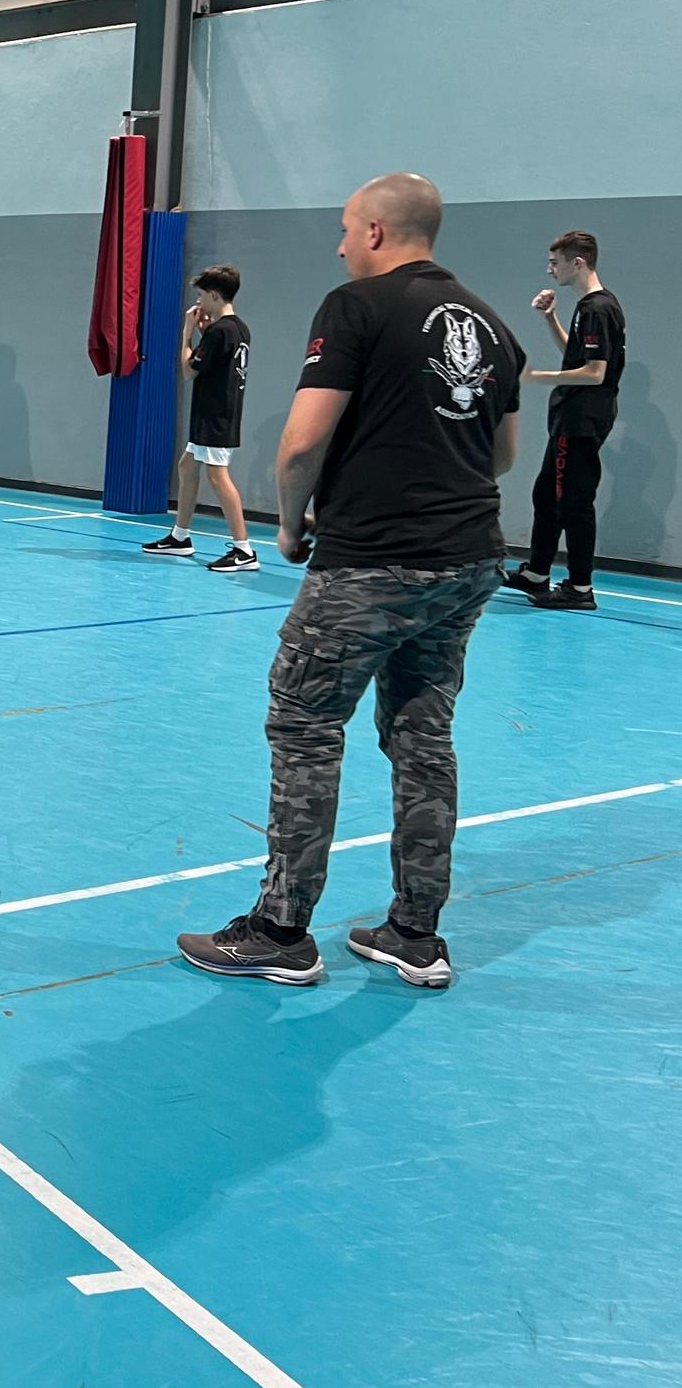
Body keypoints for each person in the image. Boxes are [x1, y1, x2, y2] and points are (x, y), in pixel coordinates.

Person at [179, 173, 522, 991]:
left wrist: (292, 523)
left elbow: (301, 445)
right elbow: (502, 455)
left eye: (343, 230)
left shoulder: (355, 306)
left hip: (373, 559)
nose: (338, 246)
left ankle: (281, 929)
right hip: (468, 558)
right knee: (423, 737)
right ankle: (416, 931)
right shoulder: (496, 324)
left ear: (373, 230)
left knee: (305, 727)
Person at [505, 230, 625, 612]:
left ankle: (579, 586)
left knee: (573, 502)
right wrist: (550, 317)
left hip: (581, 421)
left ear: (578, 262)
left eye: (555, 262)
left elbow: (594, 373)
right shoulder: (587, 307)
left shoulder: (598, 309)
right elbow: (577, 358)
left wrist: (537, 377)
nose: (549, 268)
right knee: (547, 494)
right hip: (570, 420)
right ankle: (537, 572)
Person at [142, 265, 257, 572]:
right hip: (218, 412)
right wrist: (204, 332)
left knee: (218, 477)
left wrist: (187, 333)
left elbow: (189, 370)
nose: (199, 300)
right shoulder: (237, 328)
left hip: (215, 416)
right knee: (187, 465)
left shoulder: (220, 331)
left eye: (202, 294)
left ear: (215, 295)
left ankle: (244, 550)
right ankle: (181, 537)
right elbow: (215, 362)